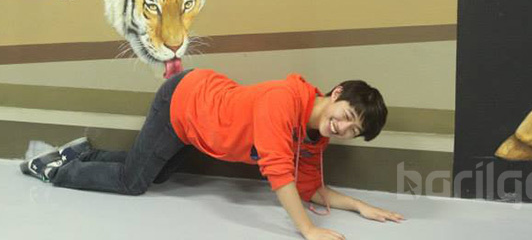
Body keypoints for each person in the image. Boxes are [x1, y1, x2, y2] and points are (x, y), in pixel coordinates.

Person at [21, 69, 404, 240]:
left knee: (157, 173)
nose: (343, 128)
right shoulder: (284, 102)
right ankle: (52, 167)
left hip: (201, 116)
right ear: (336, 94)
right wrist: (308, 230)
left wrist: (360, 206)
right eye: (347, 116)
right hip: (184, 103)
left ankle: (81, 153)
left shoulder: (314, 138)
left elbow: (309, 189)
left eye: (353, 131)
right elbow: (278, 173)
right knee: (132, 182)